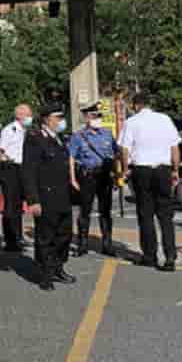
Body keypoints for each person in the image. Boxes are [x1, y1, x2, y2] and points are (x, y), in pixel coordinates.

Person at [118, 92, 181, 271]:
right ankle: (170, 257)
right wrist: (175, 170)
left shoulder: (131, 123)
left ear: (136, 105)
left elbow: (124, 150)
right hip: (163, 170)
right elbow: (174, 147)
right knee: (165, 216)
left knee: (145, 214)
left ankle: (149, 255)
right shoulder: (165, 119)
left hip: (142, 171)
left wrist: (125, 169)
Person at [22, 105, 75, 291]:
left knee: (64, 235)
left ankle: (58, 267)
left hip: (62, 195)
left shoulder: (60, 139)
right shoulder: (35, 139)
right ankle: (45, 274)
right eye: (57, 117)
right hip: (45, 196)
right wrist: (33, 199)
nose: (61, 120)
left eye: (62, 116)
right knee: (46, 237)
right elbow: (28, 171)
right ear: (46, 119)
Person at [68, 103, 118, 257]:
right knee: (85, 211)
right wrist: (73, 179)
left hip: (104, 176)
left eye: (98, 116)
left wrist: (117, 175)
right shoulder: (78, 136)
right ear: (87, 118)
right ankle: (82, 245)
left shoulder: (107, 134)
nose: (97, 119)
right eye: (94, 116)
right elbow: (71, 158)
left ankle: (107, 244)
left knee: (105, 211)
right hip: (87, 176)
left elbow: (115, 154)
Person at [0, 104, 32, 252]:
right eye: (28, 114)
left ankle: (18, 236)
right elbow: (1, 151)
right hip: (10, 168)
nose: (30, 117)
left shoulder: (26, 130)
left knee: (18, 206)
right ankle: (11, 240)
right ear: (19, 115)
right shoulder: (9, 130)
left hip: (21, 169)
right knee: (11, 206)